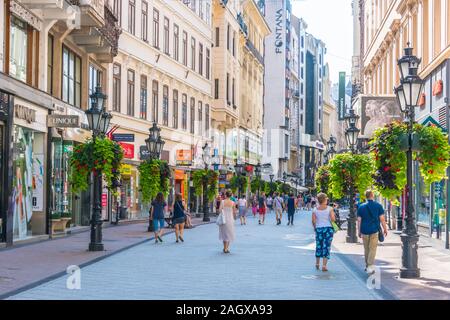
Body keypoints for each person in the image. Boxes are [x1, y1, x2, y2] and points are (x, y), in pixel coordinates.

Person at [357, 190, 388, 274]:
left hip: (364, 230)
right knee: (372, 249)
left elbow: (359, 220)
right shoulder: (378, 206)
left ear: (366, 196)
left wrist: (359, 231)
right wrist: (385, 229)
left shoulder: (361, 207)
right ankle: (370, 266)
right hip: (374, 230)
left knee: (366, 249)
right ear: (372, 195)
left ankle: (367, 266)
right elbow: (382, 219)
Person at [312, 193, 336, 272]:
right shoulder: (330, 208)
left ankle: (317, 263)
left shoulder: (315, 209)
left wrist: (315, 228)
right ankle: (324, 265)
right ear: (324, 199)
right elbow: (333, 219)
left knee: (319, 245)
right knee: (326, 246)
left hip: (319, 229)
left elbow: (313, 221)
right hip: (328, 229)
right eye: (326, 198)